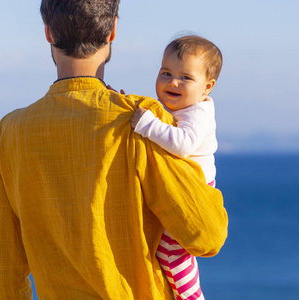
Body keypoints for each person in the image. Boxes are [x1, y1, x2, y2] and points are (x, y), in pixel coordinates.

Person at [0, 1, 228, 299]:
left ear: (48, 32)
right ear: (112, 31)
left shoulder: (9, 133)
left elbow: (0, 274)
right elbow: (205, 235)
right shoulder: (140, 119)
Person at [131, 35, 222, 300]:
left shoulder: (198, 114)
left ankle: (190, 296)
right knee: (168, 249)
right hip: (187, 186)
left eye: (185, 78)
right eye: (166, 73)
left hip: (195, 190)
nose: (173, 82)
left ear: (207, 88)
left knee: (171, 252)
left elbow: (182, 144)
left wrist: (147, 125)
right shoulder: (182, 107)